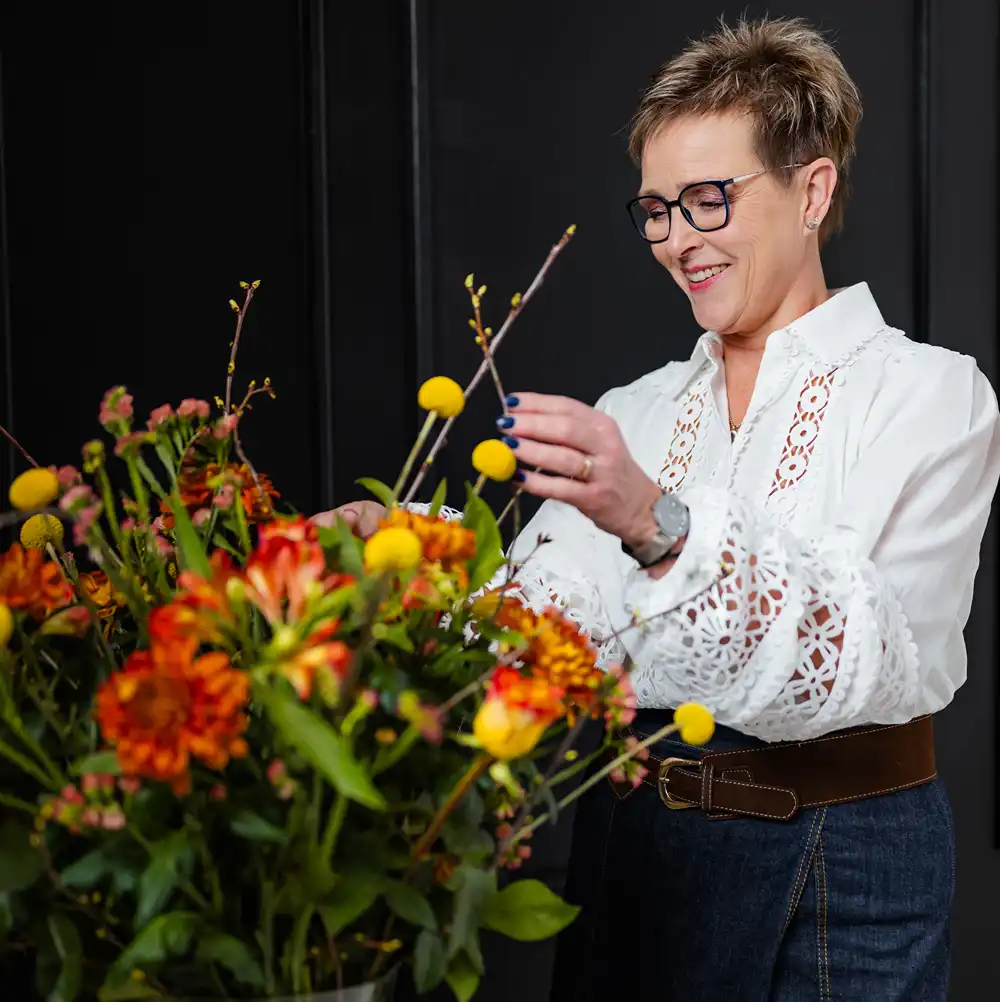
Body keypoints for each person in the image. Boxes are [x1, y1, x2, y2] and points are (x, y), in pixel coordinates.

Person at [317, 17, 1000, 1001]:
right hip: (632, 840)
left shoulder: (930, 395)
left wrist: (655, 522)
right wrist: (398, 567)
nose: (677, 240)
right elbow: (547, 623)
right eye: (654, 210)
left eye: (708, 201)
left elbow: (867, 656)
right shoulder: (630, 411)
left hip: (845, 857)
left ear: (811, 190)